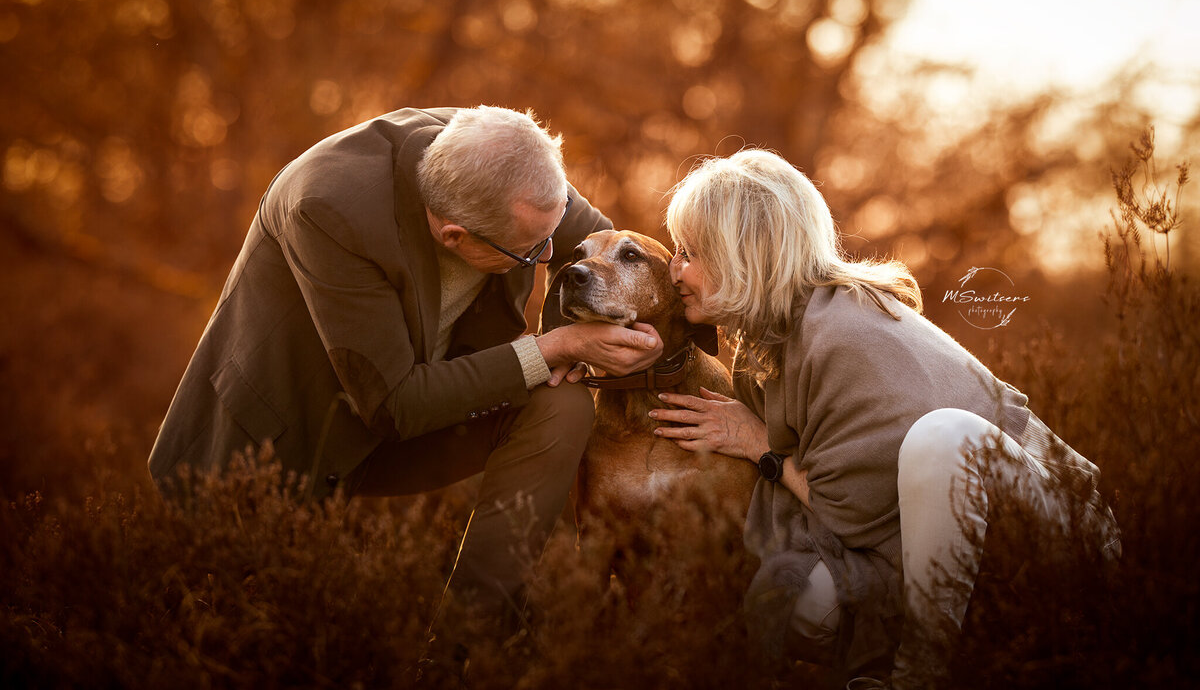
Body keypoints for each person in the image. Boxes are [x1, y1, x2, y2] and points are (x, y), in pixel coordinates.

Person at [148, 106, 663, 647]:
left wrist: (591, 349)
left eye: (553, 233)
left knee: (562, 404)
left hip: (431, 409)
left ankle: (465, 645)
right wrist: (554, 346)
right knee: (226, 636)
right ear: (454, 235)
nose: (551, 256)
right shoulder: (327, 207)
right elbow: (395, 403)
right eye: (531, 254)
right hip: (281, 443)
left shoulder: (514, 171)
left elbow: (604, 246)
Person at [648, 149, 1120, 688]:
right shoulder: (771, 340)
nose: (674, 270)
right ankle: (973, 658)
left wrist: (763, 446)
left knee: (943, 438)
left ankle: (919, 675)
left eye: (690, 253)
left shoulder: (843, 332)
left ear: (743, 255)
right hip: (951, 545)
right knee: (792, 600)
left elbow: (855, 514)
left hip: (1062, 540)